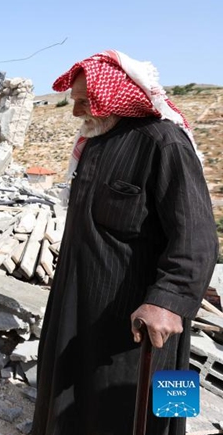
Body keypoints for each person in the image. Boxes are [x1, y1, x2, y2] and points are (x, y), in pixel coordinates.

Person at [31, 50, 219, 435]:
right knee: (71, 400)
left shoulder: (164, 142)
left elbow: (198, 236)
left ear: (114, 96)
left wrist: (169, 300)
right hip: (79, 307)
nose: (75, 113)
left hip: (137, 319)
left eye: (84, 102)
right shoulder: (97, 143)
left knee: (144, 410)